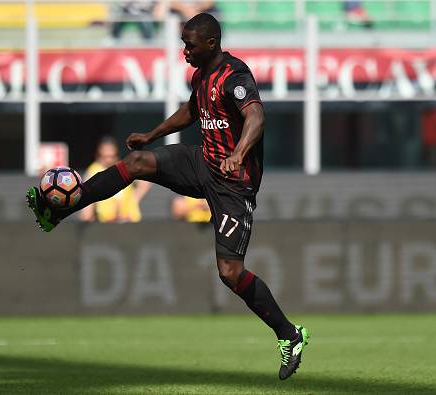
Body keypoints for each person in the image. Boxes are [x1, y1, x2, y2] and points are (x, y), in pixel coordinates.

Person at [26, 13, 309, 380]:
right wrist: (152, 134)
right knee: (139, 160)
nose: (185, 51)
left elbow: (256, 117)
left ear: (210, 43)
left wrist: (238, 154)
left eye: (189, 44)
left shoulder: (235, 76)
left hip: (233, 182)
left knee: (229, 271)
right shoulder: (201, 75)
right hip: (204, 162)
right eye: (183, 44)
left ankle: (290, 335)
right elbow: (192, 110)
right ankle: (62, 210)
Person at [79, 136, 150, 223]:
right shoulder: (93, 171)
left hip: (129, 219)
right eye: (104, 157)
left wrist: (133, 200)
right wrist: (87, 215)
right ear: (98, 155)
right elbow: (87, 200)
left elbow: (145, 182)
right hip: (108, 222)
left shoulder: (124, 166)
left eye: (111, 156)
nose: (108, 160)